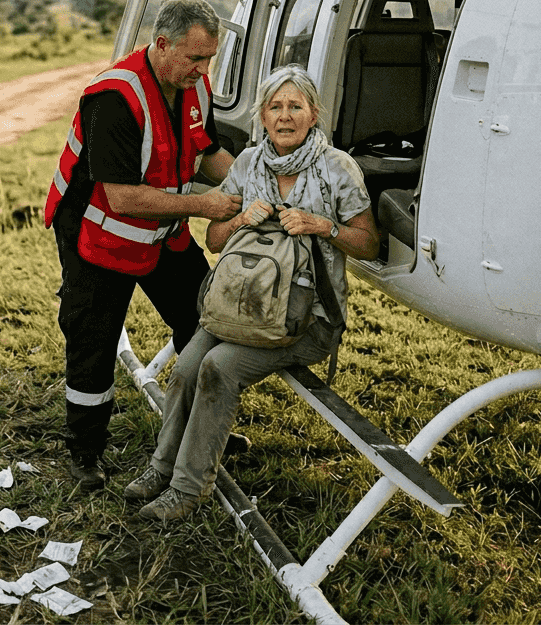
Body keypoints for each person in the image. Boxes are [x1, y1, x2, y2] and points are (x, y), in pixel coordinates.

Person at [124, 64, 380, 521]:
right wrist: (241, 218)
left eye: (295, 106)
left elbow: (370, 242)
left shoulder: (337, 168)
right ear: (261, 116)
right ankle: (161, 469)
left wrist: (322, 225)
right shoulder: (248, 165)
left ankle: (187, 491)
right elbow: (215, 241)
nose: (285, 116)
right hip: (239, 310)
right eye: (275, 107)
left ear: (313, 113)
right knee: (185, 368)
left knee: (217, 368)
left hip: (305, 319)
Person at [44, 0, 242, 490]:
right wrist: (205, 206)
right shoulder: (115, 97)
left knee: (203, 318)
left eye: (209, 58)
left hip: (163, 233)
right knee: (94, 341)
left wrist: (250, 182)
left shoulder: (193, 85)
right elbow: (124, 197)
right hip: (98, 235)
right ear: (161, 44)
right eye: (194, 58)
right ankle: (85, 452)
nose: (202, 69)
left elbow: (207, 150)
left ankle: (200, 430)